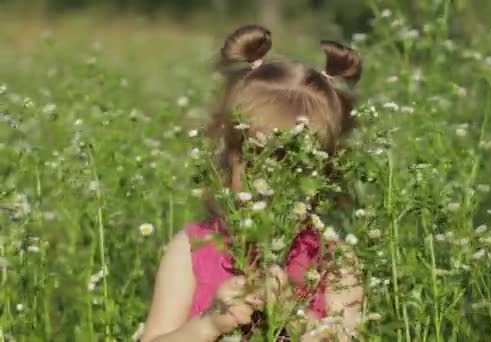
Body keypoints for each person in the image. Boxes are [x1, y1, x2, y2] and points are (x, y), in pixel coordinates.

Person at [141, 25, 364, 342]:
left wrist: (294, 313)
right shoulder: (191, 250)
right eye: (257, 163)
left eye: (296, 170)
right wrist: (208, 324)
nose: (272, 186)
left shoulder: (335, 262)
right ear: (230, 159)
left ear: (325, 175)